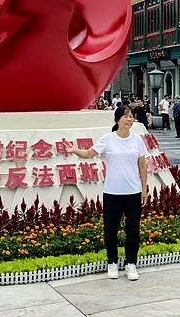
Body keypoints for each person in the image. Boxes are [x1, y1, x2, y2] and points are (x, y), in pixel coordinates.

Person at [63, 105, 148, 281]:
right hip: (112, 192)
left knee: (133, 229)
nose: (129, 119)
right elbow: (88, 154)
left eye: (131, 116)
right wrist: (74, 150)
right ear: (117, 120)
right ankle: (112, 262)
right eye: (125, 116)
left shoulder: (137, 141)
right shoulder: (108, 139)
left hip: (133, 191)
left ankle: (131, 263)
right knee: (111, 229)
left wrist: (144, 188)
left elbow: (142, 166)